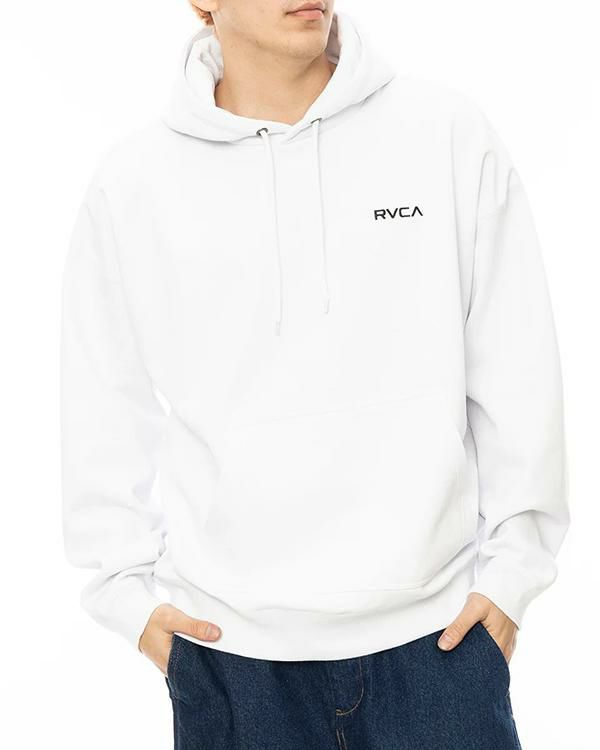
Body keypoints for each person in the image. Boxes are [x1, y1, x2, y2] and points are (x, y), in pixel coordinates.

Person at [60, 1, 570, 748]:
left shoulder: (445, 134)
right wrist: (129, 603)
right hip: (231, 660)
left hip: (439, 647)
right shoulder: (133, 184)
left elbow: (519, 370)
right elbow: (102, 406)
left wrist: (513, 577)